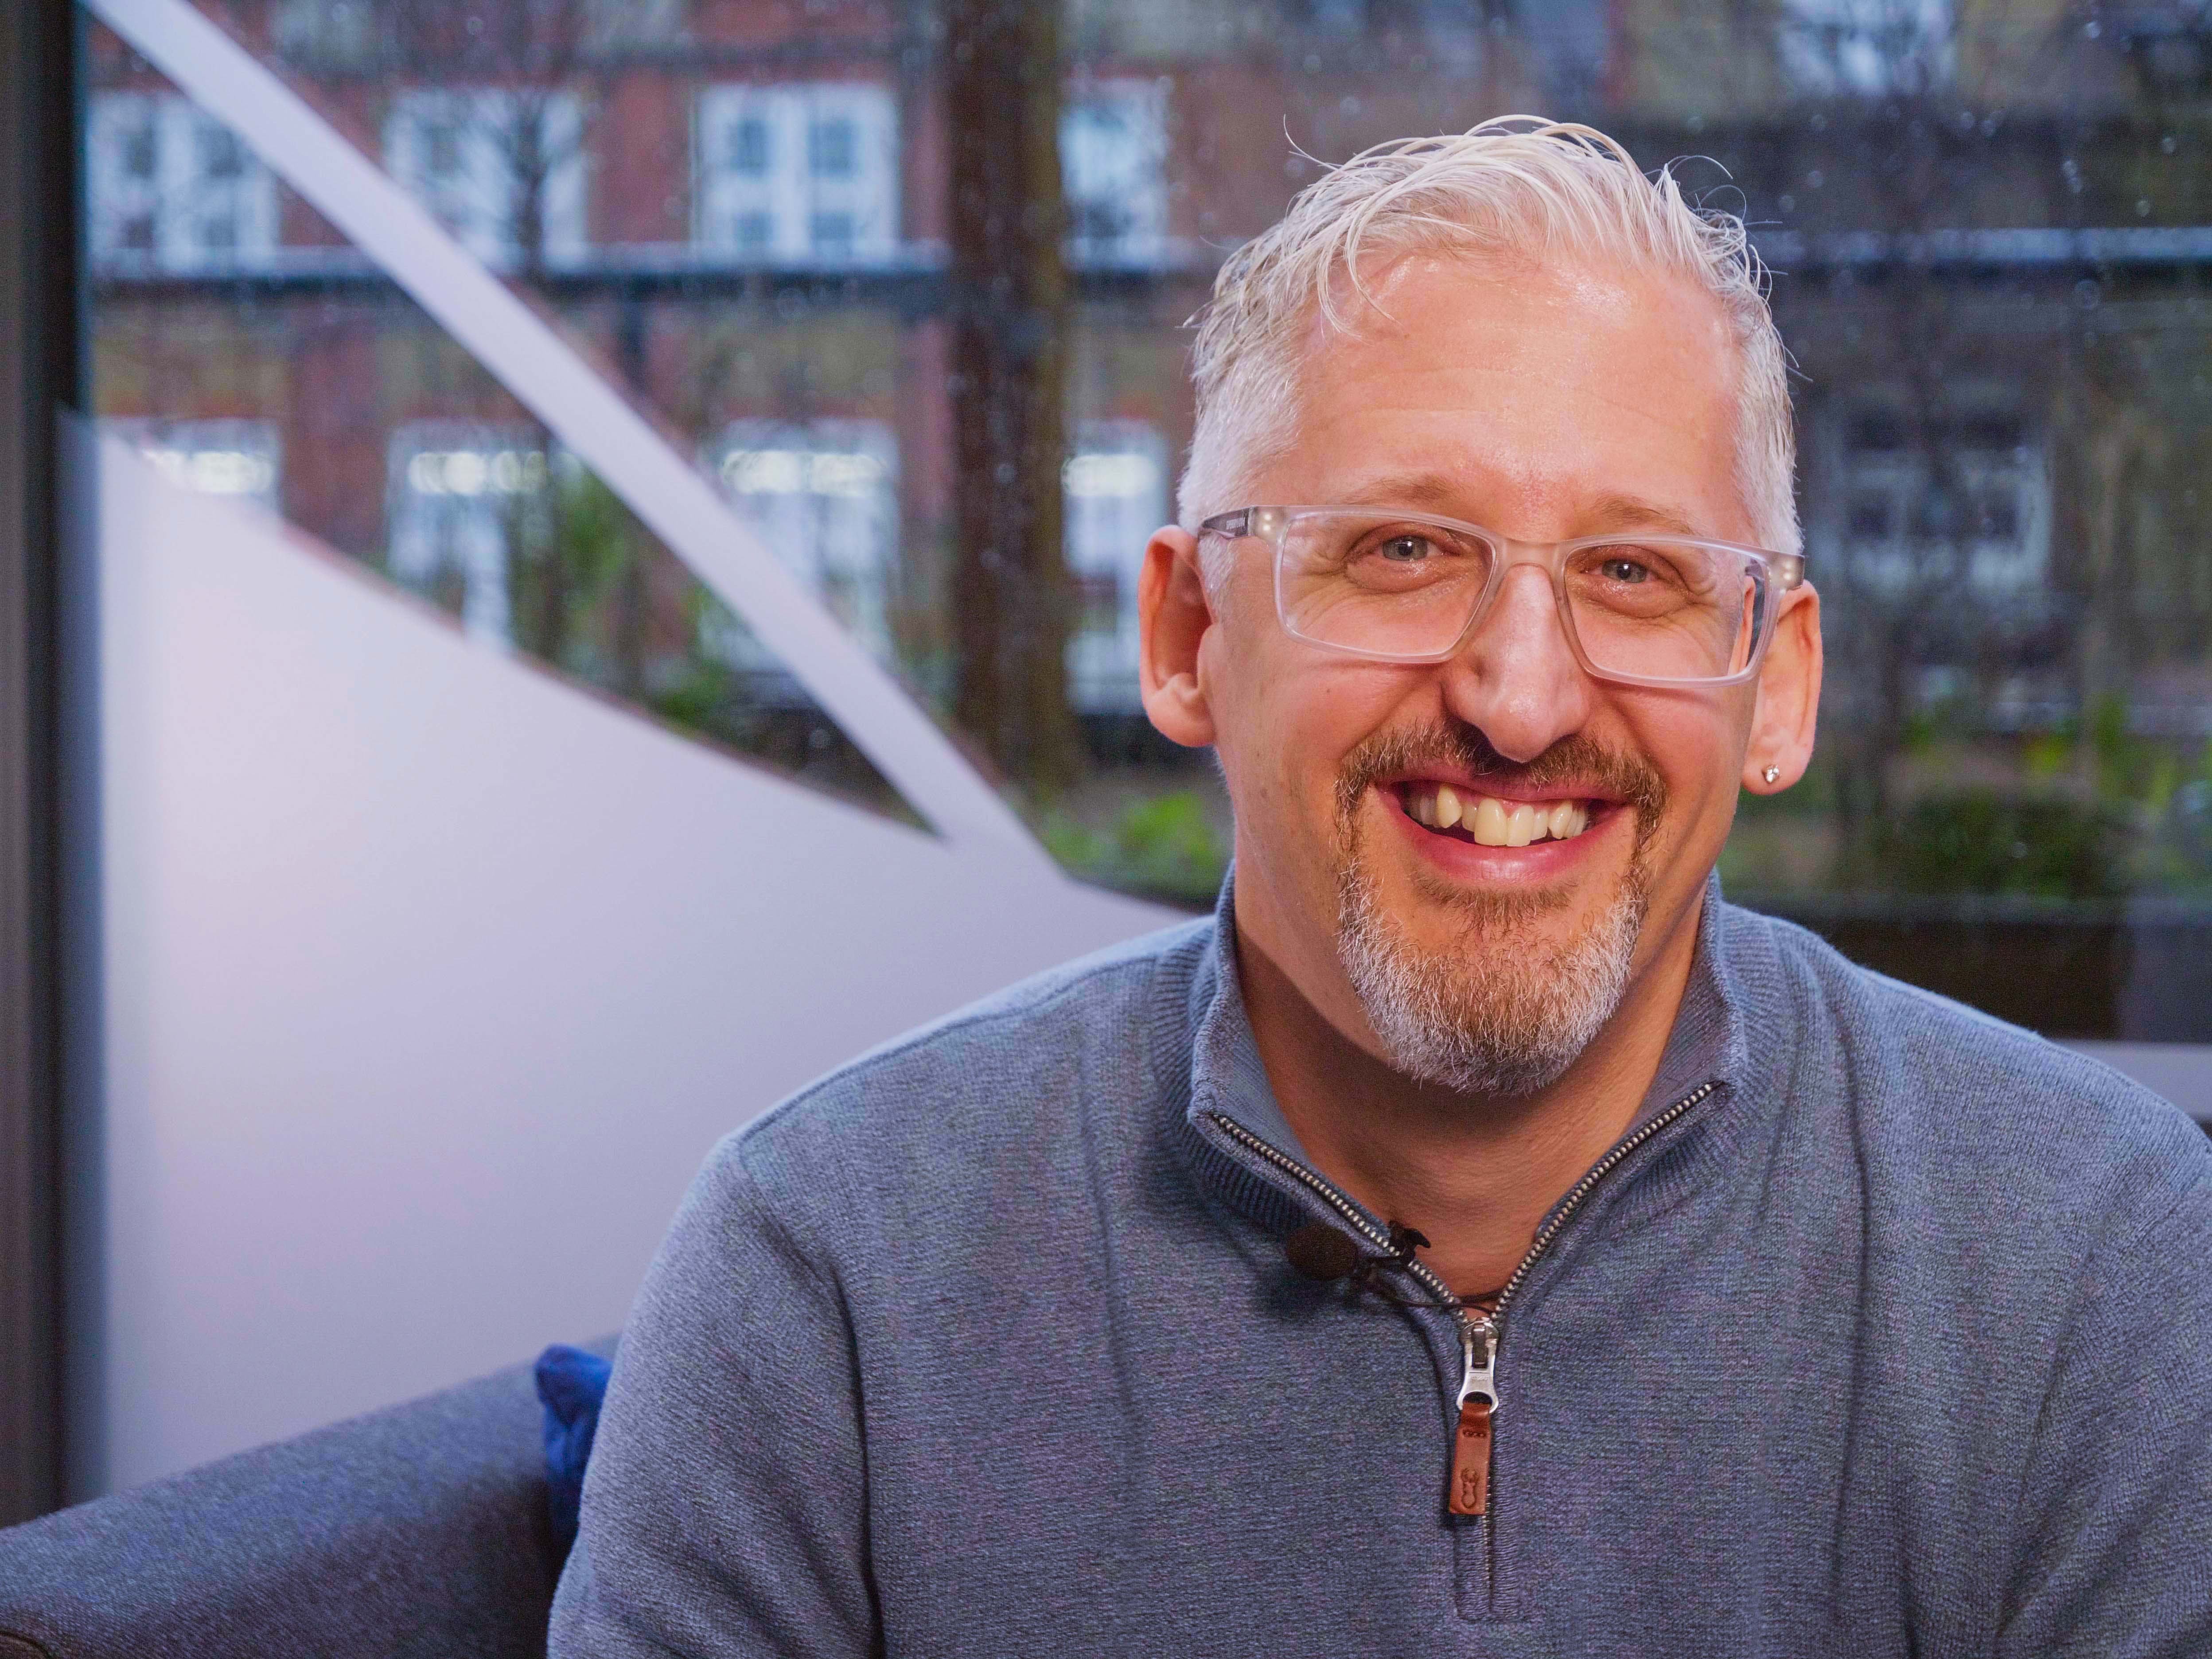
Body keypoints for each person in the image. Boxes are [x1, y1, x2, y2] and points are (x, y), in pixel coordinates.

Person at [550, 120, 2212, 1656]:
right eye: (1402, 550)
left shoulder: (2100, 1268)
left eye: (1635, 575)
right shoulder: (826, 1279)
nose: (1520, 698)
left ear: (1774, 685)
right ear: (1189, 637)